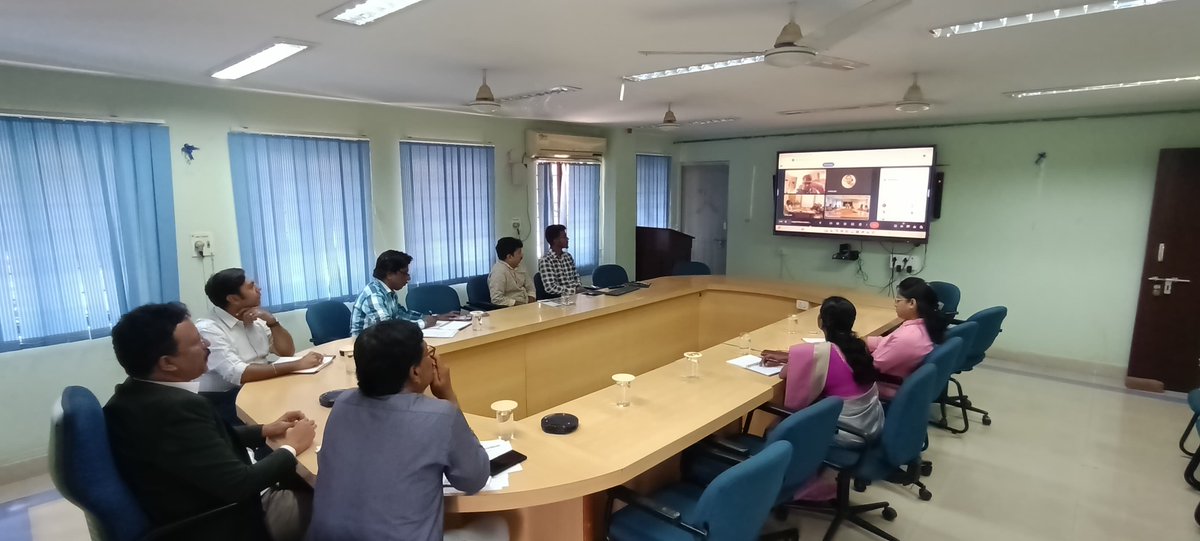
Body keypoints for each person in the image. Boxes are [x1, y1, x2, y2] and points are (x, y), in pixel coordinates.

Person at [104, 303, 317, 541]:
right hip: (226, 521)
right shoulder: (174, 410)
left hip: (198, 502)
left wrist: (265, 429)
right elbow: (241, 484)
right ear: (167, 363)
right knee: (328, 500)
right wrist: (292, 447)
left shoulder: (134, 395)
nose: (207, 346)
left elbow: (199, 445)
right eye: (197, 342)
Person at [307, 320, 508, 541]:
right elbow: (474, 479)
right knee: (497, 526)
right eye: (427, 354)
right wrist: (449, 396)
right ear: (414, 372)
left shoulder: (342, 403)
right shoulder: (440, 416)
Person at [196, 268, 323, 425]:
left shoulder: (253, 316)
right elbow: (238, 374)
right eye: (251, 286)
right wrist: (297, 364)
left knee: (306, 401)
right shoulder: (209, 329)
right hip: (227, 399)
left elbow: (286, 351)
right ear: (233, 298)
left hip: (260, 387)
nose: (259, 288)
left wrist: (272, 322)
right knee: (291, 422)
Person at [763, 296, 884, 447]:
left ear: (820, 321)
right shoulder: (860, 347)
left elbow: (784, 374)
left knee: (774, 428)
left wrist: (796, 359)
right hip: (871, 424)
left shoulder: (820, 353)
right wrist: (791, 357)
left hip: (847, 433)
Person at [870, 277, 947, 399]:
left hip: (885, 386)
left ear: (912, 303)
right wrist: (864, 341)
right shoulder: (923, 326)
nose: (895, 304)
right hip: (901, 379)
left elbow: (870, 367)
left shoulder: (907, 338)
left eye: (898, 300)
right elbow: (889, 342)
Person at [351, 250, 438, 336]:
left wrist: (433, 317)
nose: (408, 278)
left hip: (382, 341)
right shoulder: (374, 295)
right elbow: (387, 329)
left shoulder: (388, 291)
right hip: (366, 346)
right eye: (405, 273)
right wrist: (424, 323)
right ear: (389, 274)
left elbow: (401, 314)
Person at [487, 237, 536, 306]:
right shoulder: (498, 272)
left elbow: (530, 288)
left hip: (526, 305)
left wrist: (531, 299)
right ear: (509, 256)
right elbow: (496, 299)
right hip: (509, 309)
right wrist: (520, 305)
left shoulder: (520, 265)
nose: (522, 255)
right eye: (519, 252)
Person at [537, 224, 582, 296]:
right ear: (555, 240)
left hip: (575, 297)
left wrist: (578, 287)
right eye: (564, 237)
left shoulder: (568, 256)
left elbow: (576, 276)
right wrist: (574, 290)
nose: (567, 239)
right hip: (559, 299)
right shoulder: (546, 261)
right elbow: (550, 288)